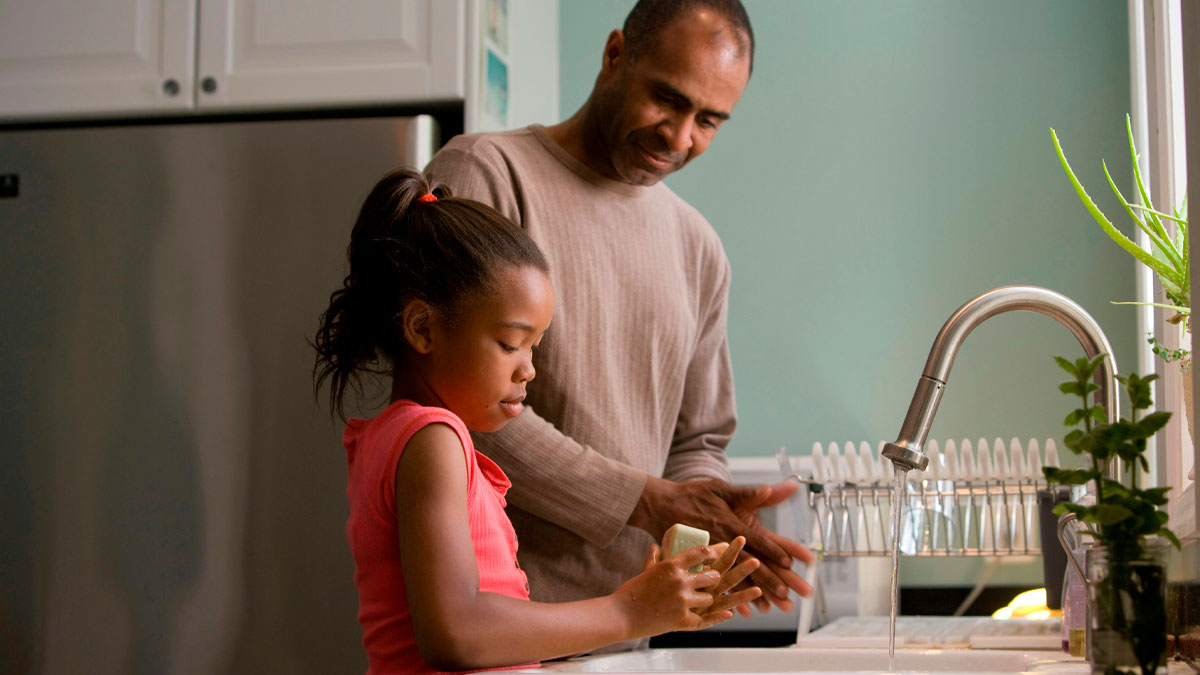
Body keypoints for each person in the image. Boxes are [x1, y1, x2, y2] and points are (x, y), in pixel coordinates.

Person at [425, 0, 813, 624]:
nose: (680, 137)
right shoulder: (485, 175)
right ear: (614, 57)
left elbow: (698, 438)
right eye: (668, 98)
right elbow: (452, 401)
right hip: (496, 628)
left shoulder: (698, 247)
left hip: (629, 633)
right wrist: (646, 502)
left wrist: (705, 524)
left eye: (710, 120)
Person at [312, 168, 762, 673]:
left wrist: (649, 608)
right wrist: (628, 611)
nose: (529, 368)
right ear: (423, 328)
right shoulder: (433, 439)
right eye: (510, 343)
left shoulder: (397, 437)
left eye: (534, 346)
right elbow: (456, 632)